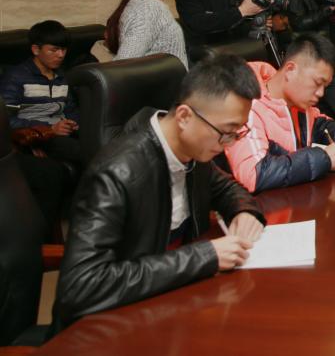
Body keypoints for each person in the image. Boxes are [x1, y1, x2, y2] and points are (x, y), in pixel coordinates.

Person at [51, 55, 267, 332]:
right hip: (114, 327)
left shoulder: (195, 150)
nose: (229, 144)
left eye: (237, 133)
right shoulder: (116, 173)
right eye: (226, 132)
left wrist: (244, 212)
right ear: (185, 117)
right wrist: (203, 256)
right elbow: (81, 287)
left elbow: (226, 187)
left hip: (173, 305)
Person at [224, 33, 335, 193]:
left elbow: (321, 125)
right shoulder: (247, 105)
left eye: (325, 86)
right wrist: (324, 159)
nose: (321, 93)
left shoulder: (298, 104)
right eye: (317, 83)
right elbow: (253, 175)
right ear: (290, 70)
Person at [1, 20, 83, 233]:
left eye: (63, 50)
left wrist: (75, 123)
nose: (60, 55)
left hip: (61, 133)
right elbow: (7, 119)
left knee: (98, 148)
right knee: (83, 154)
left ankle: (81, 222)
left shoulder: (62, 77)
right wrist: (48, 130)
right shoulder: (17, 77)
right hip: (36, 134)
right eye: (54, 50)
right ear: (36, 50)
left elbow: (71, 109)